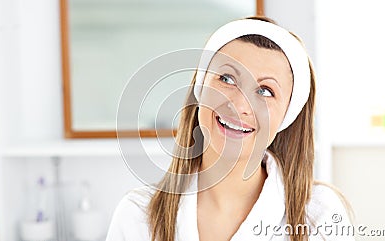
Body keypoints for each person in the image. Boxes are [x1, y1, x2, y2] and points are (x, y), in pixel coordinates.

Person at [106, 16, 354, 241]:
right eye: (226, 79)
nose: (239, 105)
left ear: (286, 116)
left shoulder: (319, 216)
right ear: (201, 88)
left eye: (265, 91)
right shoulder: (136, 215)